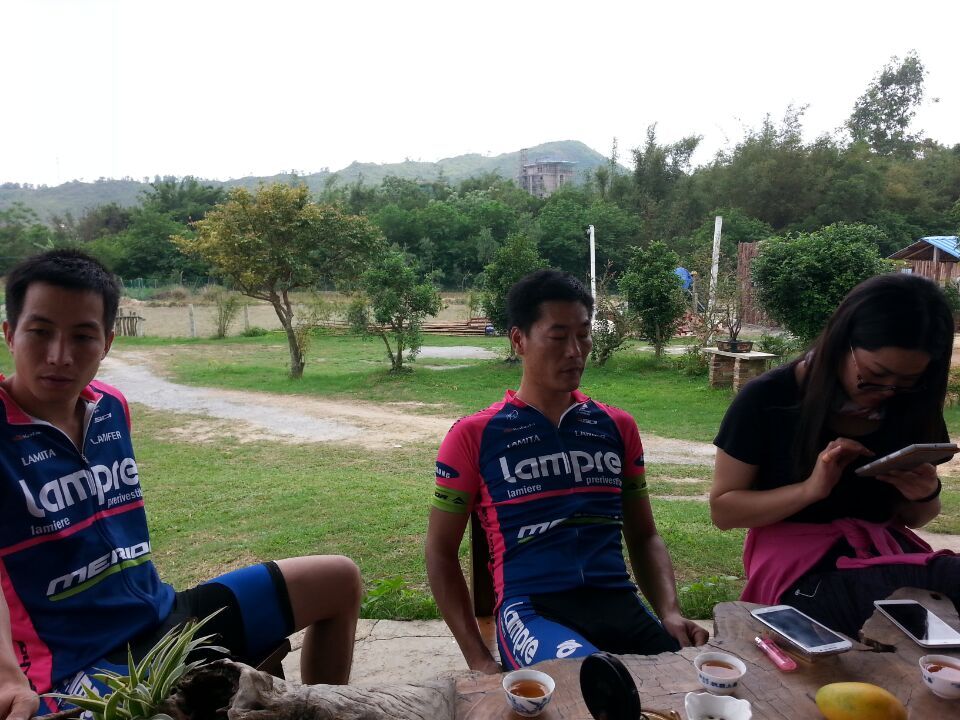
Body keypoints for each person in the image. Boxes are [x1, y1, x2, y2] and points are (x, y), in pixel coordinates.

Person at [0, 250, 363, 720]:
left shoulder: (110, 406)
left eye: (83, 336)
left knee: (338, 579)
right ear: (10, 333)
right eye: (40, 331)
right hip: (78, 664)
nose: (60, 356)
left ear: (107, 342)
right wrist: (7, 675)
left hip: (166, 617)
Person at [426, 269, 707, 672]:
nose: (575, 351)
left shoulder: (617, 426)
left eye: (584, 334)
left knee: (688, 680)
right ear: (519, 340)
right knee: (590, 680)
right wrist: (478, 660)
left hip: (616, 598)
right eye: (558, 337)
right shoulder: (474, 435)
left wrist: (671, 611)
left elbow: (644, 534)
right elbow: (439, 551)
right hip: (531, 609)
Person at [710, 273, 960, 637]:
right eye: (876, 374)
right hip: (801, 572)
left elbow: (916, 518)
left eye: (906, 381)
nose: (888, 390)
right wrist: (810, 490)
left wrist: (925, 494)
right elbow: (724, 511)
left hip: (881, 558)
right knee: (921, 588)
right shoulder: (769, 398)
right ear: (843, 343)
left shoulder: (910, 405)